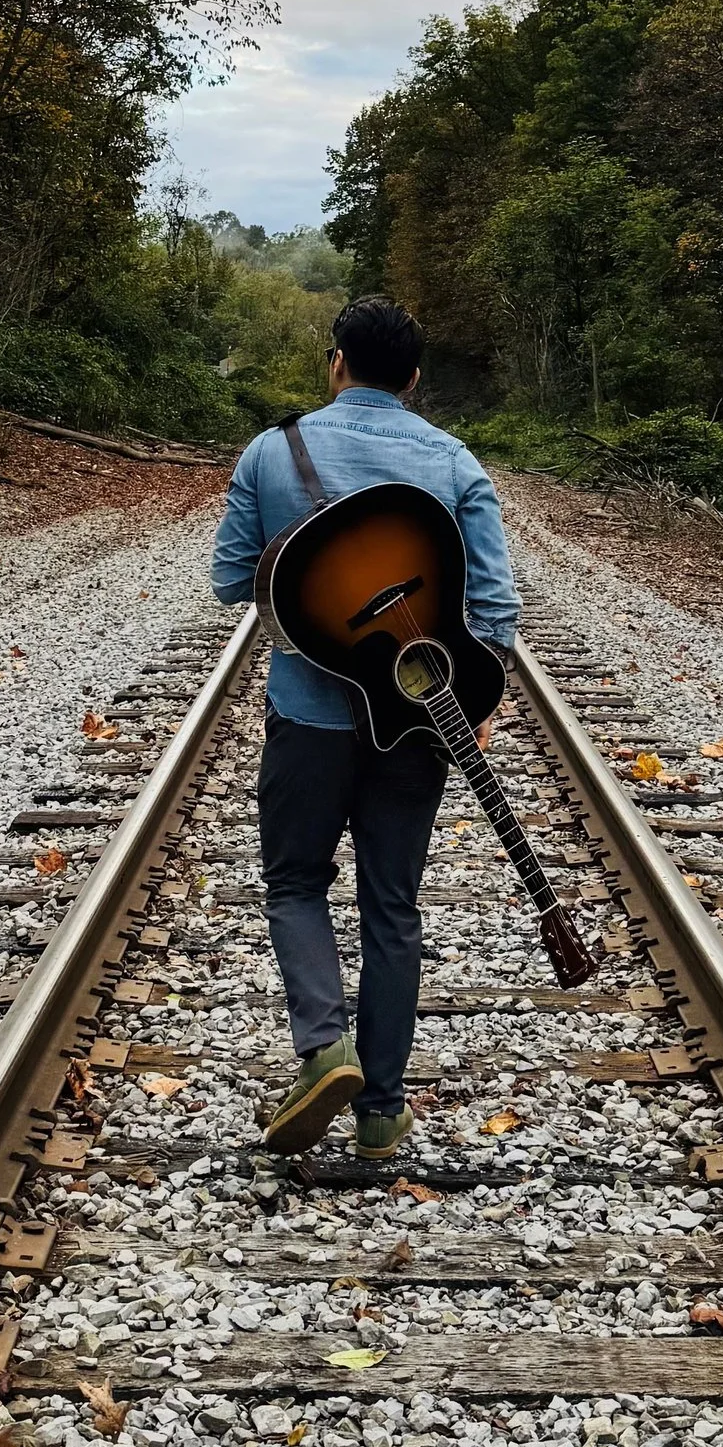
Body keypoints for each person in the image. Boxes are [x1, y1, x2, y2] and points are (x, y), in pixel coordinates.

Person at [210, 293, 522, 1159]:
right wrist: (472, 705)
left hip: (307, 713)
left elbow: (231, 579)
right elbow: (495, 608)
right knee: (393, 905)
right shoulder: (456, 463)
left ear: (335, 360)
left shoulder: (274, 451)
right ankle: (381, 1112)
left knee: (295, 882)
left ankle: (323, 1045)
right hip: (420, 722)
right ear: (415, 380)